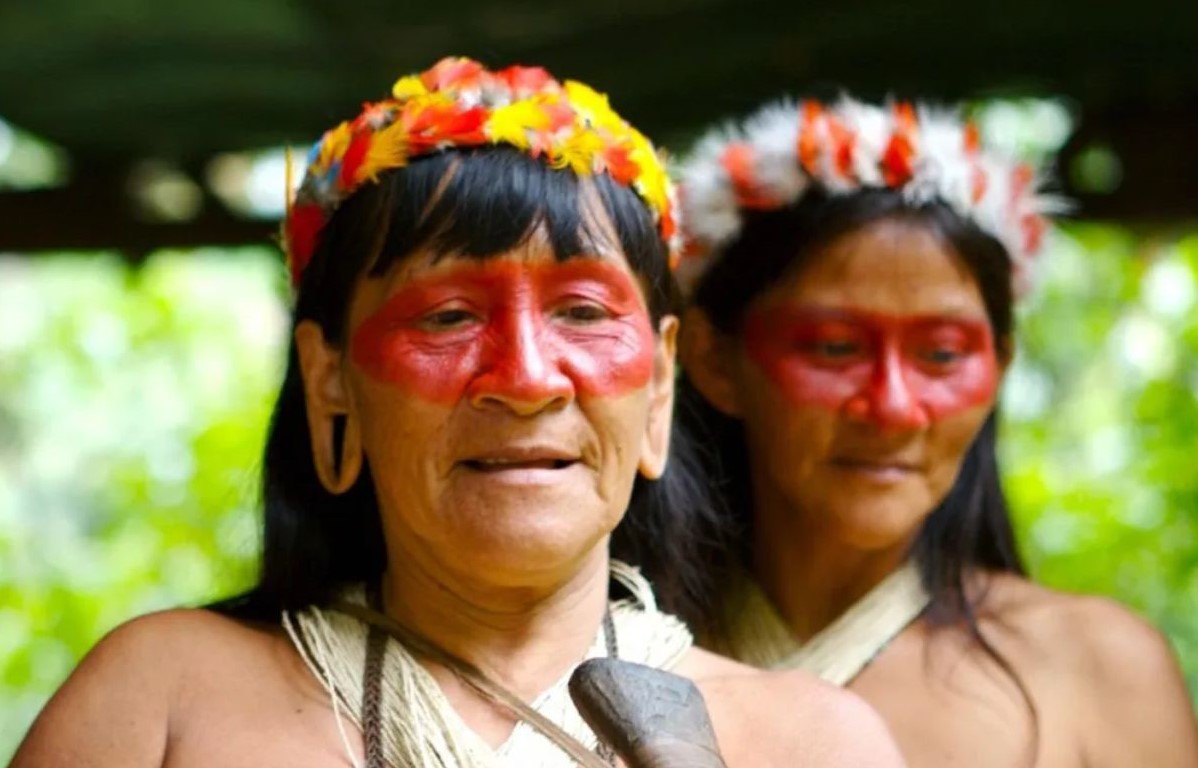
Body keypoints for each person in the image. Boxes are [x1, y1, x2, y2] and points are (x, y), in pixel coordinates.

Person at [12, 59, 904, 767]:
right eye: (447, 316)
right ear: (329, 377)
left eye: (584, 313)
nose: (524, 378)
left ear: (660, 383)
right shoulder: (159, 703)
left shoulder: (816, 746)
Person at [673, 97, 1198, 766]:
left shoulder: (1099, 670)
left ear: (999, 366)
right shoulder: (595, 645)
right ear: (714, 359)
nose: (893, 407)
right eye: (834, 348)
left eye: (942, 355)